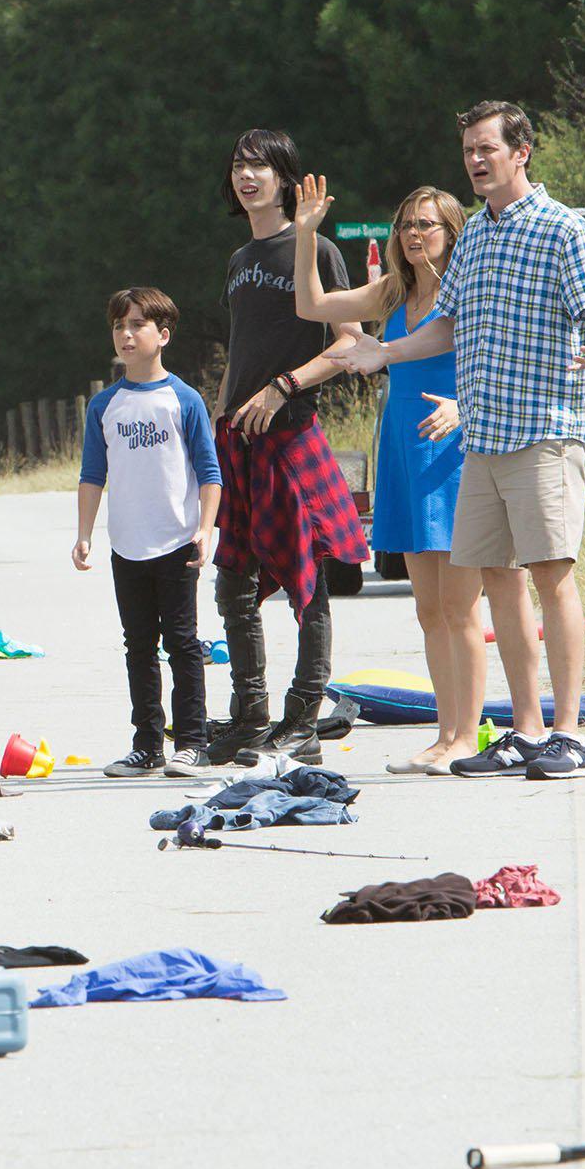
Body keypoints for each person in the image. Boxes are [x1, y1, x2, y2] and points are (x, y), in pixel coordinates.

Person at [337, 101, 585, 779]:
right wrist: (386, 352)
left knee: (551, 576)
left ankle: (568, 735)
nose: (474, 160)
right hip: (484, 441)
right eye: (468, 149)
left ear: (520, 153)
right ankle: (526, 731)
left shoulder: (564, 230)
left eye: (486, 148)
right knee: (499, 582)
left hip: (544, 433)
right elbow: (448, 325)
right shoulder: (474, 239)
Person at [287, 174, 494, 773]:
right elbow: (311, 306)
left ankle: (468, 736)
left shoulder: (469, 291)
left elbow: (497, 364)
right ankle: (446, 734)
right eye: (405, 224)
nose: (413, 234)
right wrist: (306, 236)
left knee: (461, 609)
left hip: (453, 452)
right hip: (404, 451)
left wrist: (464, 407)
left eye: (426, 224)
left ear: (452, 231)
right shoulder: (392, 293)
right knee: (429, 610)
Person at [208, 127, 367, 766]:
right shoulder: (239, 259)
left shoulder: (315, 247)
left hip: (292, 433)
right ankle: (250, 720)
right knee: (233, 586)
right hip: (239, 442)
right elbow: (240, 349)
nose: (247, 176)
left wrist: (284, 387)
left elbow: (350, 341)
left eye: (260, 166)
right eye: (238, 166)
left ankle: (302, 720)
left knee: (307, 583)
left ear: (285, 178)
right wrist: (219, 419)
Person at [74, 287, 223, 776]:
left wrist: (205, 529)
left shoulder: (184, 400)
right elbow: (92, 475)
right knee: (138, 646)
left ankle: (193, 742)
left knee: (183, 643)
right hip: (127, 546)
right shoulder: (104, 406)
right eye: (119, 325)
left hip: (177, 542)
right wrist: (85, 534)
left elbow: (210, 473)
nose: (126, 334)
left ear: (163, 335)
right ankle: (147, 745)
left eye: (137, 324)